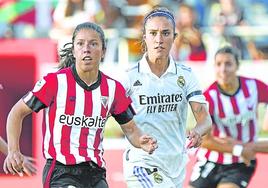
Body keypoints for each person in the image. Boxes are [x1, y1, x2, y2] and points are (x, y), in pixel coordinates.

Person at [3, 22, 157, 188]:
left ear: (103, 51)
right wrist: (13, 150)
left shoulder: (113, 89)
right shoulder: (55, 82)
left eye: (93, 44)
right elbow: (17, 112)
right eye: (80, 44)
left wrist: (141, 140)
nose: (86, 49)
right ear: (74, 51)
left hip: (95, 172)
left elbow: (131, 130)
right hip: (61, 171)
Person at [120, 7, 212, 188]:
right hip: (142, 163)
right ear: (144, 37)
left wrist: (198, 131)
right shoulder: (129, 78)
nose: (159, 39)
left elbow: (205, 119)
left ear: (175, 37)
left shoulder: (186, 75)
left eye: (165, 33)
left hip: (175, 165)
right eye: (153, 33)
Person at [188, 46, 268, 188]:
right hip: (210, 159)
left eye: (228, 64)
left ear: (237, 66)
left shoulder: (254, 87)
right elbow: (204, 141)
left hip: (240, 162)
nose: (223, 69)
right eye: (219, 64)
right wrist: (239, 148)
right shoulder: (209, 97)